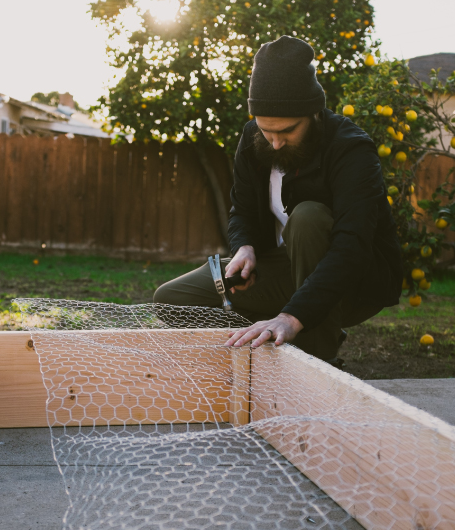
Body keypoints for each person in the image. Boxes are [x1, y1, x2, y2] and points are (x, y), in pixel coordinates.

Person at [153, 36, 402, 364]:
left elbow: (351, 247)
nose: (275, 143)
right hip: (284, 269)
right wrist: (244, 247)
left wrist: (293, 316)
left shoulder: (351, 149)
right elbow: (241, 209)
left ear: (313, 113)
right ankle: (264, 347)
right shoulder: (252, 138)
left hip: (352, 279)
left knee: (308, 217)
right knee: (171, 299)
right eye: (266, 131)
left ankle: (316, 352)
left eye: (286, 131)